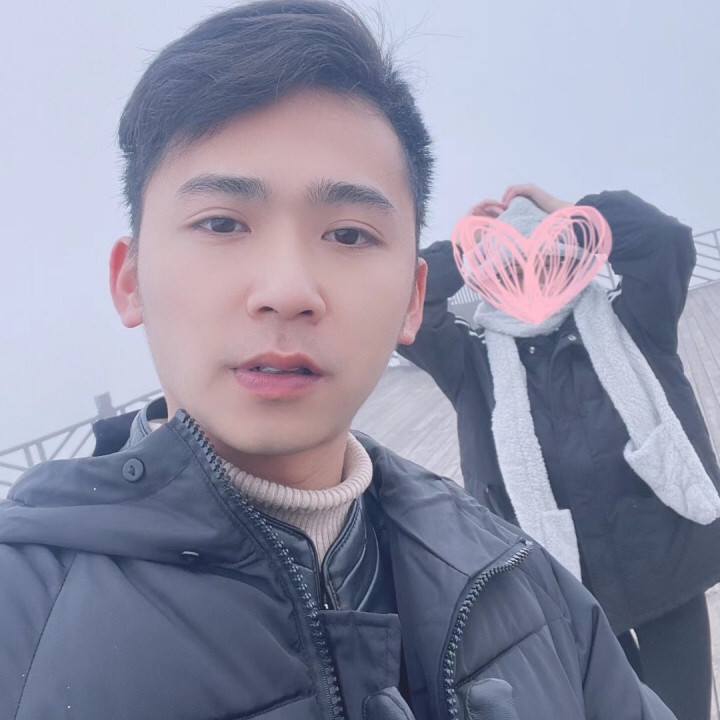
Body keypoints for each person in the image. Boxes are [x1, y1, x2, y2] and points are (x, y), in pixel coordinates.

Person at [0, 4, 675, 719]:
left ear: (412, 299)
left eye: (349, 234)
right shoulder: (22, 614)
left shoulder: (517, 579)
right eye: (222, 222)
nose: (288, 290)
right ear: (130, 279)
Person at [398, 182, 720, 720]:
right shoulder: (470, 360)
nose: (532, 273)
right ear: (492, 274)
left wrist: (574, 213)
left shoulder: (634, 321)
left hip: (666, 564)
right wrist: (464, 245)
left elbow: (664, 241)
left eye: (546, 256)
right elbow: (403, 303)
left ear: (571, 256)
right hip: (570, 591)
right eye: (513, 264)